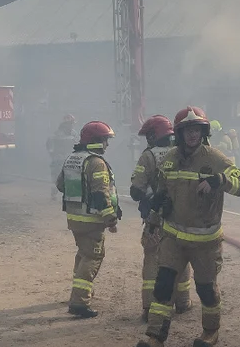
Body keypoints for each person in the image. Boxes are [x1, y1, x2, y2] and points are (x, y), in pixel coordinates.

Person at [136, 106, 240, 347]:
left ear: (203, 132)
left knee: (206, 289)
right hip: (174, 238)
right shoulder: (168, 159)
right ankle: (155, 338)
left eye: (197, 130)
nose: (193, 135)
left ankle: (210, 331)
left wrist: (220, 180)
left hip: (205, 242)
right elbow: (162, 195)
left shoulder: (215, 159)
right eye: (188, 130)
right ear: (179, 133)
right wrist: (154, 221)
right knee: (164, 285)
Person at [55, 120, 121, 318]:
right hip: (92, 220)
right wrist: (110, 219)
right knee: (93, 256)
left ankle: (80, 292)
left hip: (75, 219)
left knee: (83, 254)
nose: (107, 145)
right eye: (105, 141)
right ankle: (80, 302)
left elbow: (60, 185)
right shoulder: (96, 162)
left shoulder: (72, 158)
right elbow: (101, 194)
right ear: (96, 141)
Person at [130, 115, 192, 321]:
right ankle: (183, 302)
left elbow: (137, 188)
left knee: (153, 258)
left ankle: (149, 307)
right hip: (183, 216)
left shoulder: (149, 156)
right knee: (182, 257)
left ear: (153, 135)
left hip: (156, 217)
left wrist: (144, 196)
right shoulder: (184, 152)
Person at [47, 114, 77, 200]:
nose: (71, 125)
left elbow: (77, 143)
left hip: (70, 158)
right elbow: (50, 145)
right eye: (70, 123)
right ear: (64, 124)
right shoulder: (57, 134)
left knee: (71, 176)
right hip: (58, 159)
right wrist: (53, 154)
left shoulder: (74, 133)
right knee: (57, 176)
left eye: (72, 123)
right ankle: (54, 193)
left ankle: (69, 195)